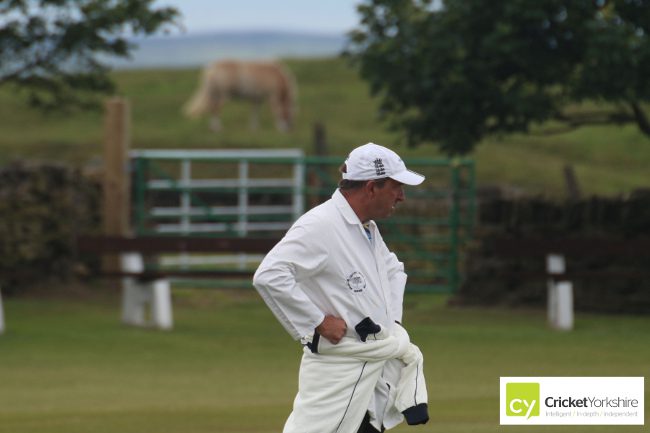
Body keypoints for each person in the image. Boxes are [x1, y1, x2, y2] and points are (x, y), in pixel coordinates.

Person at [253, 143, 429, 433]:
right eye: (396, 187)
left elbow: (393, 271)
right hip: (337, 371)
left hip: (371, 368)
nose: (402, 196)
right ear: (371, 187)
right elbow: (270, 275)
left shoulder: (366, 227)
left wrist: (391, 324)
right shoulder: (320, 225)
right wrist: (318, 321)